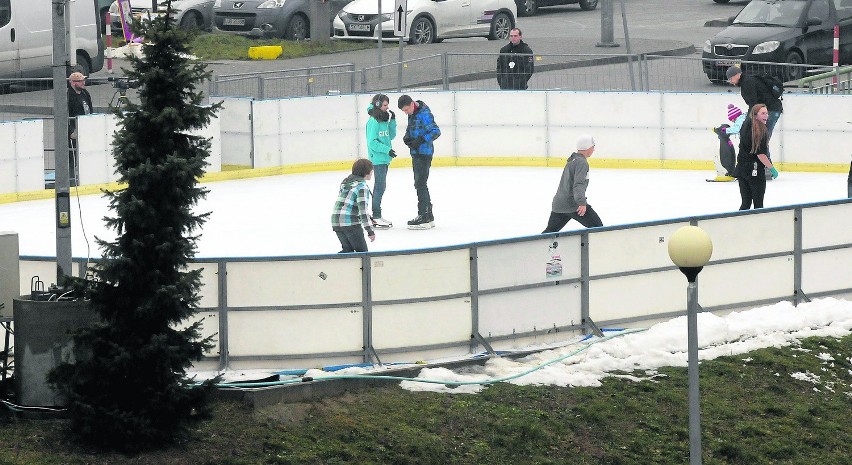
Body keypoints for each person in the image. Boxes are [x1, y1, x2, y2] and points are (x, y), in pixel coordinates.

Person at [542, 134, 603, 233]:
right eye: (593, 147)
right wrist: (581, 203)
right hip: (574, 204)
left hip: (559, 204)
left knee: (550, 232)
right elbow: (578, 184)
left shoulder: (572, 161)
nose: (593, 150)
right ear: (588, 147)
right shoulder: (582, 163)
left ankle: (534, 247)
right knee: (597, 227)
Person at [398, 94, 441, 230]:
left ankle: (424, 215)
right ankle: (428, 215)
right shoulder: (413, 113)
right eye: (403, 111)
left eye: (406, 110)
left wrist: (420, 140)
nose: (406, 113)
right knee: (420, 184)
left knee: (420, 184)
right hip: (416, 152)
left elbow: (436, 131)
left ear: (412, 104)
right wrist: (407, 137)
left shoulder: (424, 113)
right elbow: (411, 128)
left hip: (424, 153)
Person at [734, 104, 779, 210]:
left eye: (767, 113)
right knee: (758, 205)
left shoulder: (745, 125)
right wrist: (772, 168)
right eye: (763, 113)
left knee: (745, 203)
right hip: (755, 172)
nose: (766, 116)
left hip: (742, 170)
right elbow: (761, 155)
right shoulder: (761, 131)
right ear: (755, 115)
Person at [365, 94, 397, 229]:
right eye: (385, 105)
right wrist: (386, 150)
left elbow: (391, 136)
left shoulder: (383, 120)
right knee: (379, 187)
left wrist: (392, 122)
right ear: (378, 105)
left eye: (387, 105)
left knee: (381, 186)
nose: (387, 108)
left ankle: (377, 215)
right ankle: (376, 216)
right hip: (378, 159)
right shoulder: (373, 121)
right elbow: (372, 142)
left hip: (384, 158)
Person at [331, 158, 376, 253]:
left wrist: (369, 218)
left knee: (348, 251)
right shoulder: (362, 187)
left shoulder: (346, 183)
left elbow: (347, 204)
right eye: (371, 171)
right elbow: (363, 211)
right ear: (367, 172)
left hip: (336, 221)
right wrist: (370, 231)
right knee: (363, 254)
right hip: (350, 223)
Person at [67, 71, 93, 186]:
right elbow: (65, 115)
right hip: (75, 132)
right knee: (73, 158)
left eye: (83, 80)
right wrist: (71, 131)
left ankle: (86, 178)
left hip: (86, 129)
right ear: (73, 83)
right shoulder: (68, 96)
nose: (83, 82)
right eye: (80, 81)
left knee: (86, 156)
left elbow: (90, 110)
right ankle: (72, 181)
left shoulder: (85, 93)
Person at [711, 103, 746, 179]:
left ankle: (737, 173)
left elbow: (737, 129)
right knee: (742, 158)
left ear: (735, 117)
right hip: (746, 141)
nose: (733, 122)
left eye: (732, 120)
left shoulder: (740, 120)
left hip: (746, 142)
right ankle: (737, 173)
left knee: (742, 158)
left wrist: (726, 130)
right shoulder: (743, 119)